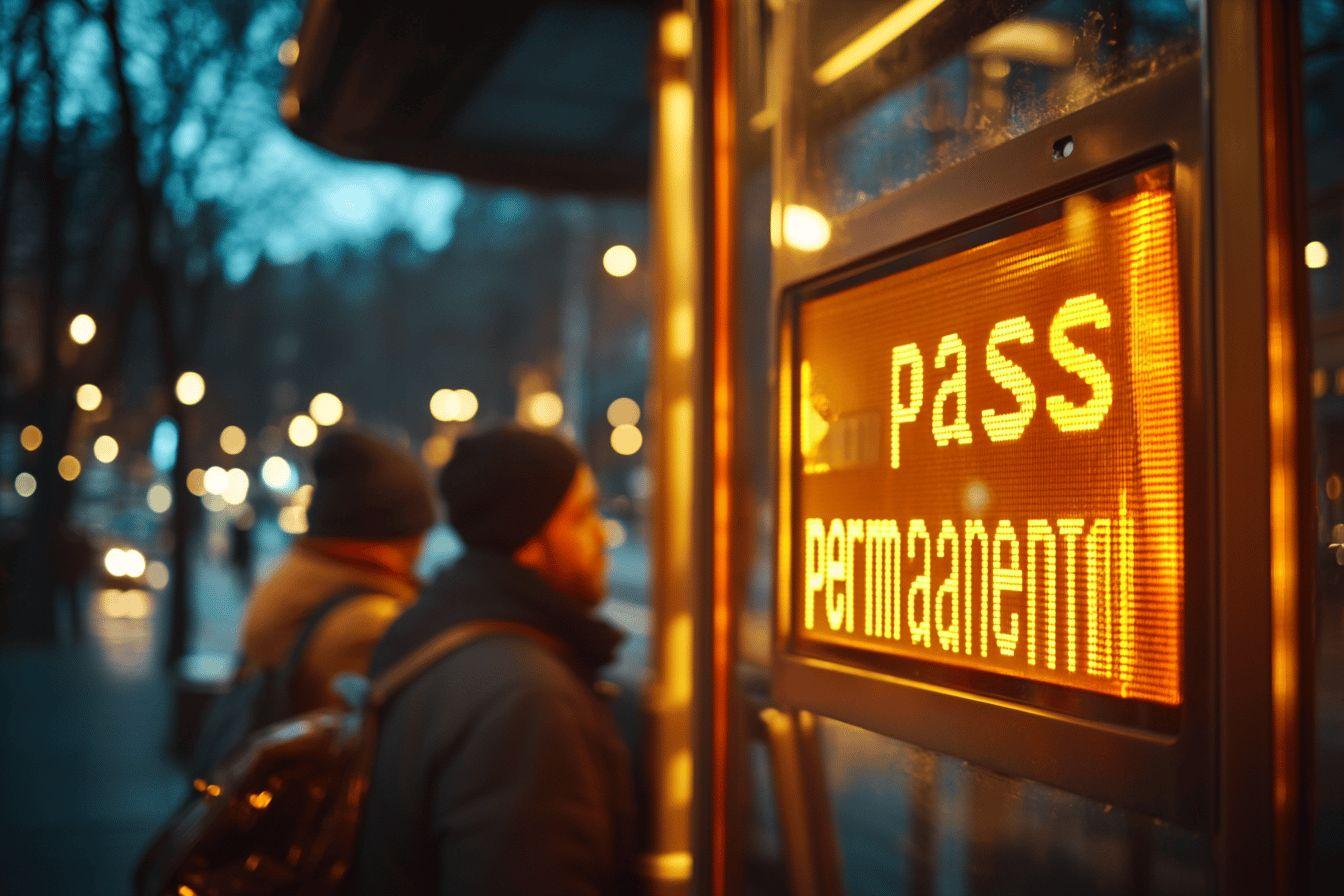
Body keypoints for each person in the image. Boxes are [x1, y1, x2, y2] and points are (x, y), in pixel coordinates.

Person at [356, 426, 635, 895]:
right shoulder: (527, 702)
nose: (600, 536)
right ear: (527, 540)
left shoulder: (439, 636)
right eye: (581, 515)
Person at [239, 428, 435, 713]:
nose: (421, 549)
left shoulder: (303, 575)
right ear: (390, 537)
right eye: (417, 535)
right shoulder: (367, 624)